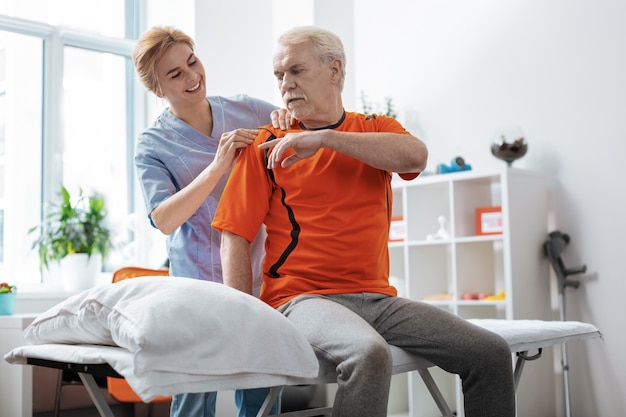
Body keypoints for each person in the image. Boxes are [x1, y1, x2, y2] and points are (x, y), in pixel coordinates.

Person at [212, 26, 516, 417]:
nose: (285, 84)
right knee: (368, 353)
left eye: (296, 71)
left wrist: (325, 139)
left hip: (375, 299)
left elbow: (415, 156)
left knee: (489, 353)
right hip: (301, 299)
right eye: (279, 75)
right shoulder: (266, 145)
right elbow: (234, 236)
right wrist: (243, 320)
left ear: (335, 69)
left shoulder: (374, 129)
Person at [132, 26, 288, 417]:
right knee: (196, 394)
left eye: (192, 62)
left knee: (261, 387)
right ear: (157, 88)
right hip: (196, 283)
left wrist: (289, 115)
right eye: (175, 74)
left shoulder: (246, 109)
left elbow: (293, 130)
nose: (192, 76)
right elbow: (164, 219)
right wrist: (218, 166)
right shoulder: (152, 145)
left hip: (258, 273)